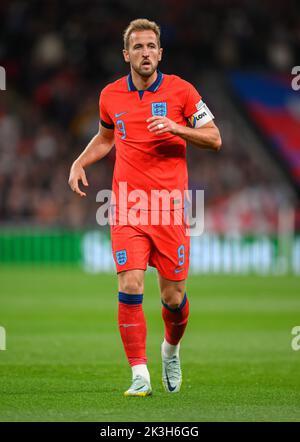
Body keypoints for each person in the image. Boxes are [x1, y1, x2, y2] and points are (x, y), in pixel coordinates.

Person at [68, 18, 221, 397]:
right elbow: (106, 138)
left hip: (169, 209)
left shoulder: (182, 91)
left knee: (173, 298)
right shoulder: (110, 96)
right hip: (127, 207)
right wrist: (79, 161)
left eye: (151, 46)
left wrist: (176, 128)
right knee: (130, 283)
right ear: (127, 55)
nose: (146, 53)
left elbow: (214, 139)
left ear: (160, 52)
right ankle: (140, 374)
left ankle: (170, 349)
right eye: (138, 47)